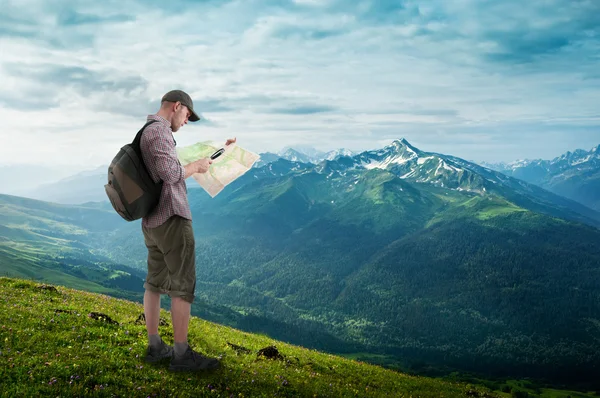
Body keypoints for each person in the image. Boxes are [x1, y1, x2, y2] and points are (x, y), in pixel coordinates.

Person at [139, 89, 235, 371]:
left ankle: (155, 347)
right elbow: (171, 174)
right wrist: (194, 166)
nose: (185, 122)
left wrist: (222, 150)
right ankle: (181, 356)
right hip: (172, 217)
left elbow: (165, 169)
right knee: (182, 285)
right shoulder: (158, 133)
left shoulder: (148, 131)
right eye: (187, 116)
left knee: (154, 282)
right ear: (177, 106)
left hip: (153, 220)